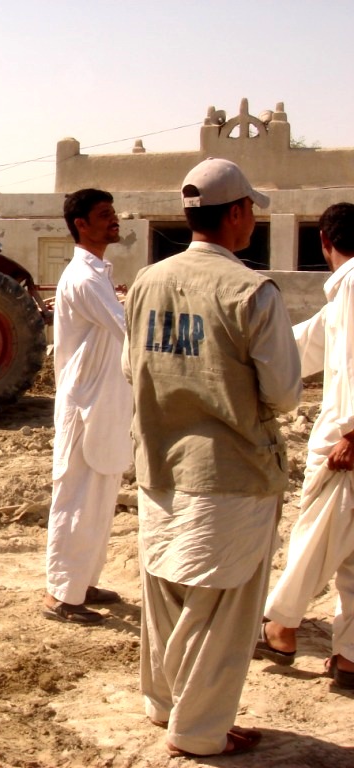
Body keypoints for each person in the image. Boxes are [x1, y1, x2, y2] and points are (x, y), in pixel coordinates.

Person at [122, 158, 302, 757]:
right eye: (251, 210)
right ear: (238, 212)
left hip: (158, 464)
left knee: (166, 591)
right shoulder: (251, 291)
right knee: (224, 608)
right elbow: (283, 393)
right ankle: (199, 731)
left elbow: (131, 368)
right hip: (232, 472)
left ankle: (164, 703)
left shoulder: (146, 283)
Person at [258, 202, 354, 690]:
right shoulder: (342, 294)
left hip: (345, 442)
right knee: (350, 555)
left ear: (323, 241)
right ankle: (350, 657)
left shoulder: (353, 285)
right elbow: (305, 345)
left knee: (316, 538)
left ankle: (281, 626)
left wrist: (353, 434)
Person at [43, 188, 132, 625]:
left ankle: (82, 582)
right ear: (81, 224)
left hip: (104, 402)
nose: (113, 220)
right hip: (85, 404)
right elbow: (127, 327)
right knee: (77, 496)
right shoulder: (84, 278)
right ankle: (61, 595)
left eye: (113, 213)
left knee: (99, 496)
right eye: (103, 215)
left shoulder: (98, 275)